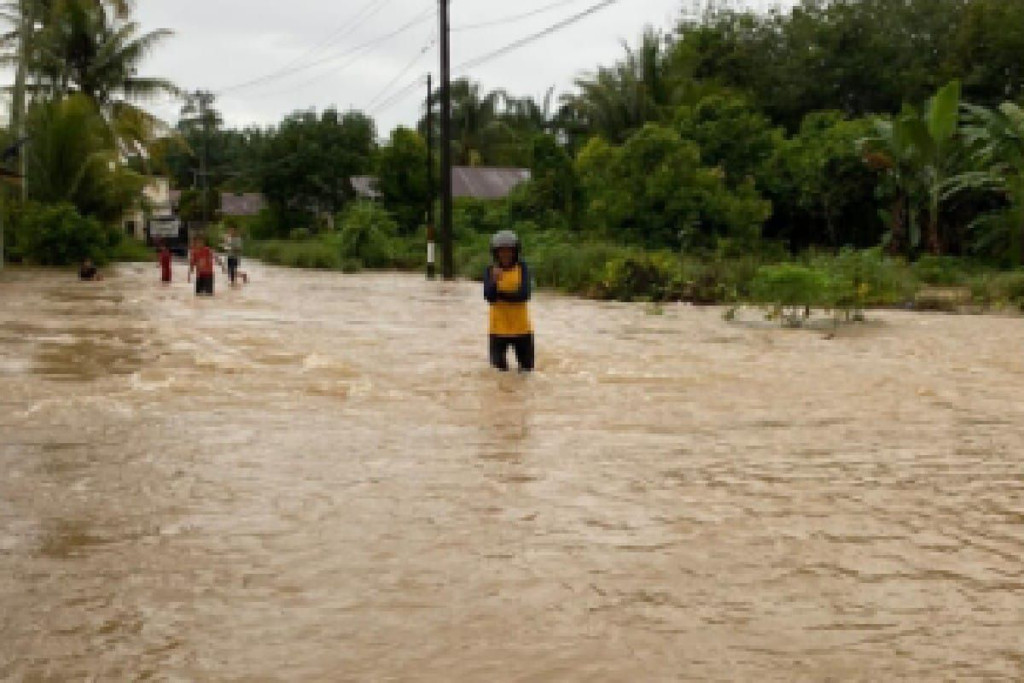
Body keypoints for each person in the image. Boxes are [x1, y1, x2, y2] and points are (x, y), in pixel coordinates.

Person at [483, 230, 534, 372]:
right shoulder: (490, 270)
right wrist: (494, 282)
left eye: (509, 251)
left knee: (527, 373)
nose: (505, 255)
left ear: (515, 252)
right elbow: (490, 297)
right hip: (498, 330)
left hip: (522, 330)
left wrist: (501, 295)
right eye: (501, 251)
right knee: (498, 374)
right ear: (495, 253)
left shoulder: (522, 268)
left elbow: (524, 295)